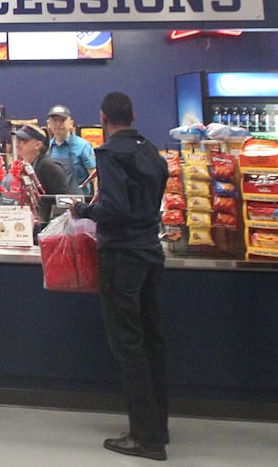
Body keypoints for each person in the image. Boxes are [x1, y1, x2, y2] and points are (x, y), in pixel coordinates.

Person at [75, 92, 170, 461]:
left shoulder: (111, 153)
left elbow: (113, 209)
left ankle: (145, 438)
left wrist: (85, 209)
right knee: (152, 340)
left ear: (103, 118)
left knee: (128, 345)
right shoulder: (150, 152)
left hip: (121, 256)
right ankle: (158, 426)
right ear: (133, 115)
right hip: (150, 252)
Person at [8, 123, 72, 225]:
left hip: (44, 229)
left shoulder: (50, 167)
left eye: (23, 141)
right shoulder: (19, 166)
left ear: (37, 145)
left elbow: (64, 204)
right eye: (17, 140)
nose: (17, 144)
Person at [45, 104, 96, 194]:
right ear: (48, 124)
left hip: (80, 204)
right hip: (54, 203)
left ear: (71, 123)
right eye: (54, 120)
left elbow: (95, 178)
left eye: (62, 120)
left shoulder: (83, 146)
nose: (58, 124)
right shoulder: (46, 148)